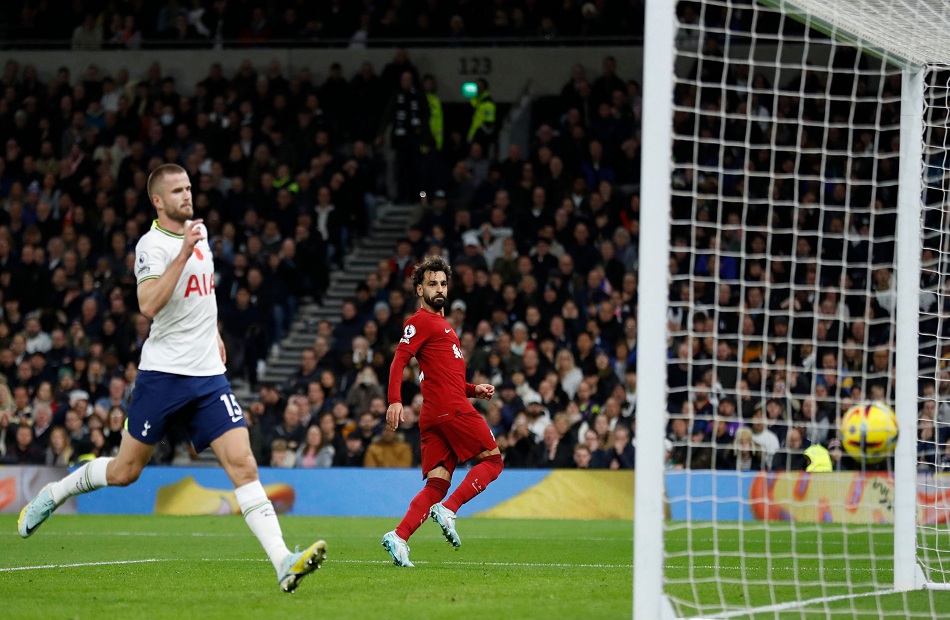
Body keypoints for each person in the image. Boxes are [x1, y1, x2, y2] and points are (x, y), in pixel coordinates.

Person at [17, 164, 326, 594]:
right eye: (177, 190)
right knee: (126, 471)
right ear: (158, 201)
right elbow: (148, 304)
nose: (187, 195)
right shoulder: (152, 246)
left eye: (189, 187)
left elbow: (204, 294)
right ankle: (54, 492)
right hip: (162, 375)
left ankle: (283, 563)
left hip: (207, 377)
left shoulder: (201, 235)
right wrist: (182, 252)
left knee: (244, 463)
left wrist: (215, 333)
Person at [382, 255, 503, 567]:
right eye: (431, 284)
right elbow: (399, 360)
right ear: (419, 290)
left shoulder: (444, 328)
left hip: (436, 414)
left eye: (443, 283)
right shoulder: (421, 321)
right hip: (450, 411)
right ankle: (449, 509)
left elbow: (446, 379)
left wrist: (474, 389)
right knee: (493, 460)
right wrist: (395, 399)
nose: (439, 288)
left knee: (437, 482)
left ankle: (399, 535)